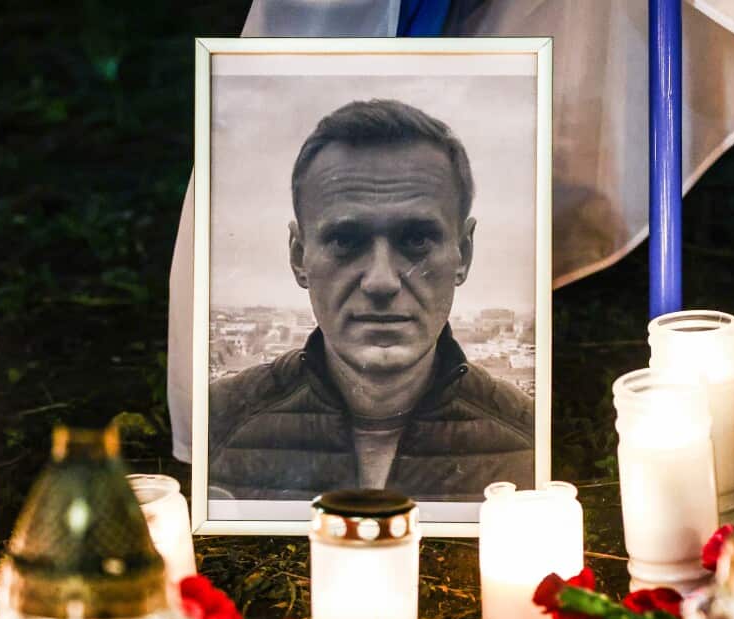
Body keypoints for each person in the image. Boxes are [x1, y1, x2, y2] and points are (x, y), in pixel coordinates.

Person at [208, 99, 533, 501]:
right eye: (345, 240)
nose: (381, 281)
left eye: (416, 240)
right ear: (298, 257)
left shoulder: (533, 439)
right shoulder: (214, 425)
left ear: (463, 255)